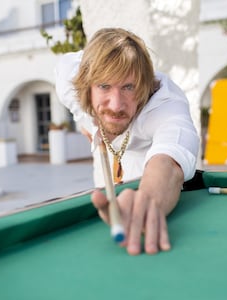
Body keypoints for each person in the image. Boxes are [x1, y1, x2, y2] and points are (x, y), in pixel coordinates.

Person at [55, 28, 199, 255]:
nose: (116, 105)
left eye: (128, 87)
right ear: (86, 84)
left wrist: (148, 200)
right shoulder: (70, 82)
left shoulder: (166, 106)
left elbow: (169, 163)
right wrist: (84, 121)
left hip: (145, 175)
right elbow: (66, 63)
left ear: (143, 87)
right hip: (108, 176)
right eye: (104, 86)